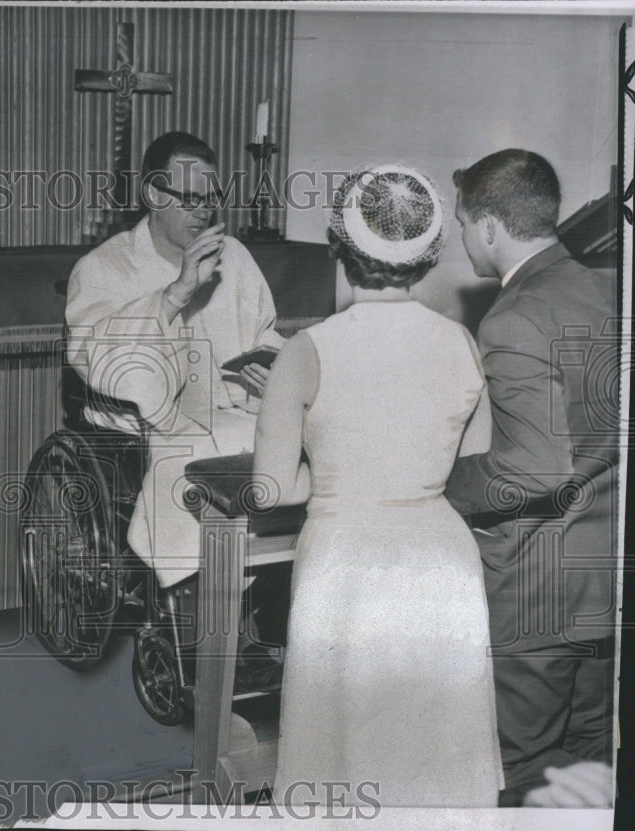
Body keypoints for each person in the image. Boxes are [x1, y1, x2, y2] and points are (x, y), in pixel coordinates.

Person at [256, 163, 503, 806]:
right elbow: (470, 461)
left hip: (347, 562)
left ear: (338, 247)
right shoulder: (463, 343)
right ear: (427, 256)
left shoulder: (304, 350)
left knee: (344, 756)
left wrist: (332, 469)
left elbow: (272, 487)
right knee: (434, 759)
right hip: (440, 557)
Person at [445, 149, 618, 807]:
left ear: (489, 226)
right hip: (602, 584)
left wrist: (446, 483)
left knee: (521, 776)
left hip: (537, 595)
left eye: (463, 224)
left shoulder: (512, 317)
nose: (463, 240)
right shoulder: (608, 289)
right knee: (586, 779)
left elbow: (536, 468)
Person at [65, 131, 284, 590]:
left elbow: (265, 331)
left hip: (233, 415)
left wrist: (271, 373)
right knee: (193, 455)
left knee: (291, 442)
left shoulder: (235, 258)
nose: (203, 210)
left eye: (211, 197)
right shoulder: (105, 266)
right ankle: (195, 596)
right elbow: (96, 356)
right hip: (147, 428)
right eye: (189, 198)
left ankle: (264, 580)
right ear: (153, 194)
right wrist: (176, 293)